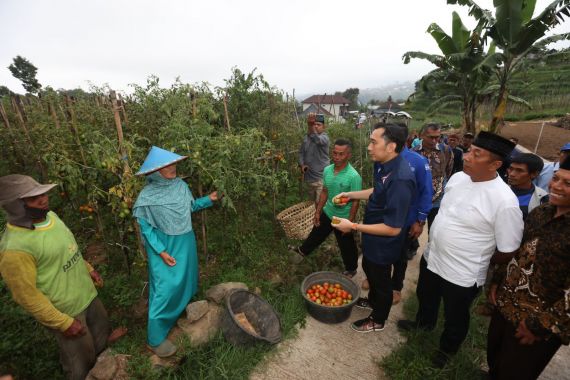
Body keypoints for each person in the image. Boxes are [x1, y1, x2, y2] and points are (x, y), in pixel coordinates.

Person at [398, 132, 524, 368]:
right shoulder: (457, 179)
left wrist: (478, 257)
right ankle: (424, 323)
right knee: (427, 296)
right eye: (469, 150)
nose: (466, 157)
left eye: (476, 154)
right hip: (433, 257)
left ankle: (446, 351)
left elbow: (508, 249)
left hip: (462, 273)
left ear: (495, 164)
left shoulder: (504, 201)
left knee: (455, 316)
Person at [0, 175, 126, 380]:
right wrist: (62, 323)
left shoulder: (51, 217)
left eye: (42, 193)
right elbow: (27, 296)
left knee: (101, 332)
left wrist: (88, 269)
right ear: (16, 206)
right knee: (79, 364)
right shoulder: (15, 248)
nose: (44, 199)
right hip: (67, 311)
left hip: (86, 294)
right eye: (34, 198)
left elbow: (68, 247)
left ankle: (106, 363)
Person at [487, 155, 570, 380]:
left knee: (516, 372)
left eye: (567, 183)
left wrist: (538, 326)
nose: (556, 186)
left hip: (537, 324)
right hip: (506, 306)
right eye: (555, 179)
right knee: (494, 360)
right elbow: (518, 251)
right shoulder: (541, 212)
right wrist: (497, 281)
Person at [133, 146, 219, 358]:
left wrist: (210, 199)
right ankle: (154, 338)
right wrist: (161, 252)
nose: (173, 167)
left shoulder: (180, 185)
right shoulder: (147, 196)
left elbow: (189, 208)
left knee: (185, 279)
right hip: (163, 245)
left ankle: (177, 313)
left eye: (173, 163)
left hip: (185, 241)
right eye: (167, 165)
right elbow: (146, 228)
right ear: (155, 171)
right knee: (165, 288)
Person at [332, 123, 415, 333]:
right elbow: (376, 191)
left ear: (390, 146)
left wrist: (353, 226)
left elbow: (393, 229)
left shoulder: (401, 179)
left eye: (373, 142)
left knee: (381, 281)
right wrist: (350, 195)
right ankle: (373, 301)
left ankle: (378, 319)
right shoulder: (385, 165)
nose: (369, 147)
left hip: (384, 242)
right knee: (369, 269)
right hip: (372, 236)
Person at [289, 139, 362, 277]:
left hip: (342, 218)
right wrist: (318, 211)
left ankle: (351, 268)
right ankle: (302, 251)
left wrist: (350, 223)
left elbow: (356, 202)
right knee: (316, 233)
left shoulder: (354, 176)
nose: (337, 157)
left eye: (341, 154)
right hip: (328, 212)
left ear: (348, 155)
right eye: (335, 153)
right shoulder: (327, 170)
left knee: (346, 245)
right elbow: (324, 191)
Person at [413, 123, 453, 229]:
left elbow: (448, 171)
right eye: (431, 137)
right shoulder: (414, 152)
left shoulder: (446, 150)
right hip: (418, 199)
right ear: (422, 135)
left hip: (438, 201)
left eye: (437, 137)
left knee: (435, 231)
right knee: (413, 230)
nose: (434, 141)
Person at [299, 114, 330, 204]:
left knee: (320, 205)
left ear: (324, 127)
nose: (315, 126)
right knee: (311, 205)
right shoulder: (306, 138)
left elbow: (317, 139)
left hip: (321, 179)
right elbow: (301, 152)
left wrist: (310, 126)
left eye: (318, 124)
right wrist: (302, 164)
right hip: (309, 178)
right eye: (314, 124)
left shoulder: (325, 138)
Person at [507, 153, 549, 220]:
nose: (512, 174)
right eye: (511, 169)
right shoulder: (496, 190)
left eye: (519, 170)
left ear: (534, 174)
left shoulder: (543, 199)